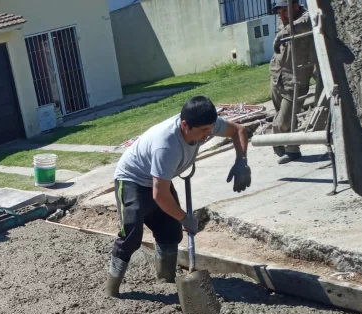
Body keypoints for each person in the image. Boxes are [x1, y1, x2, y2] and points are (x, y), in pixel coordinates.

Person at [105, 96, 252, 298]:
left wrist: (241, 161)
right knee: (131, 235)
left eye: (210, 128)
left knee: (170, 231)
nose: (208, 134)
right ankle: (111, 290)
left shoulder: (204, 123)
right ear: (185, 124)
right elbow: (160, 195)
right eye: (202, 131)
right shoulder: (166, 145)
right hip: (132, 179)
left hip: (158, 178)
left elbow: (238, 131)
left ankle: (165, 281)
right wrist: (184, 217)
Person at [270, 0, 316, 164]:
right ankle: (292, 149)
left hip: (296, 79)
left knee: (283, 120)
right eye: (279, 13)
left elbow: (307, 23)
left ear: (296, 6)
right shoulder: (282, 19)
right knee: (282, 115)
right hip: (277, 75)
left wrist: (283, 33)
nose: (281, 16)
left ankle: (277, 141)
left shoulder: (307, 17)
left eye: (285, 11)